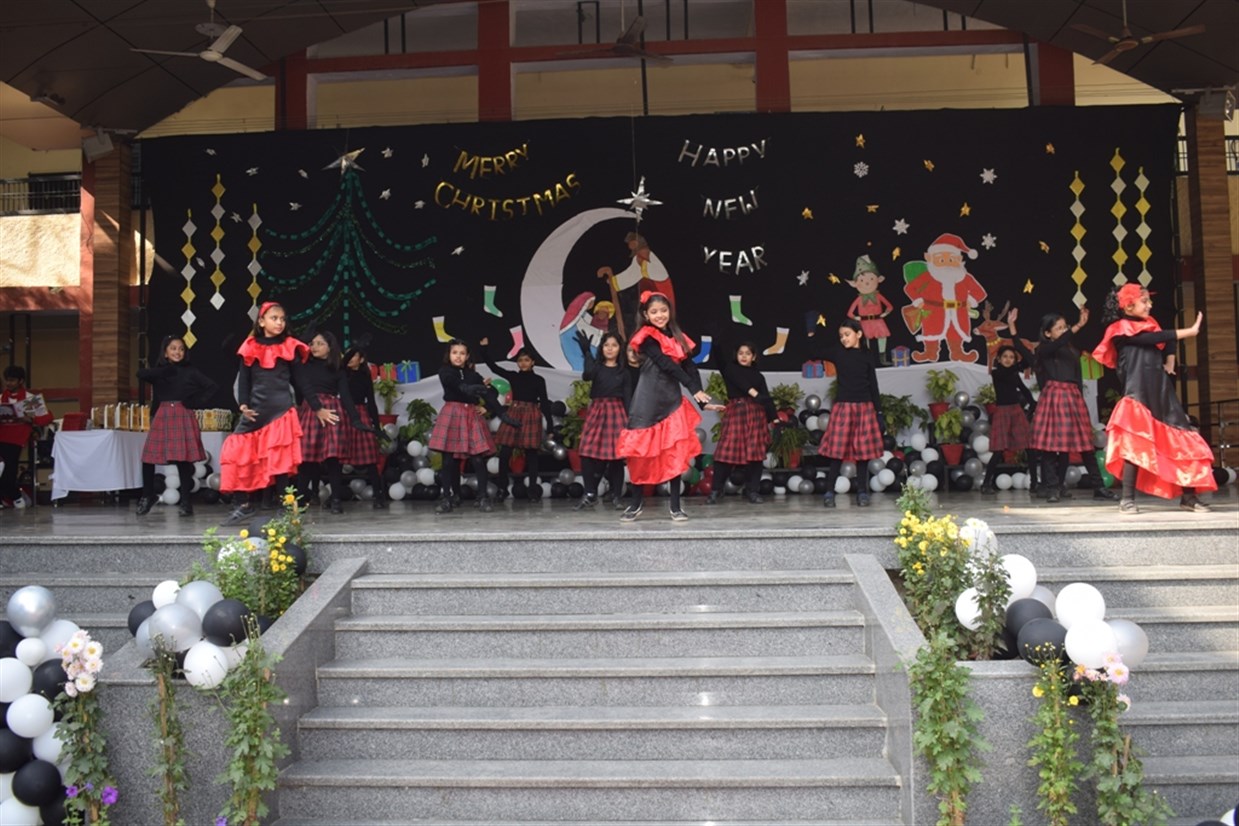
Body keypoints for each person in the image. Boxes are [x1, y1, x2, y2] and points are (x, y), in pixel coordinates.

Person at [1093, 283, 1216, 515]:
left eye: (1149, 300)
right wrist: (1188, 332)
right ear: (1128, 306)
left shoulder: (1150, 326)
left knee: (1183, 440)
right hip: (1138, 395)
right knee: (1133, 447)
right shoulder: (1120, 330)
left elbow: (1165, 338)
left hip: (1161, 392)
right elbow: (1151, 339)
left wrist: (1170, 359)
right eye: (1144, 301)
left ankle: (1189, 497)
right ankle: (1127, 500)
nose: (1150, 305)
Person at [615, 291, 720, 522]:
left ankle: (675, 506)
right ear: (646, 315)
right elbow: (666, 365)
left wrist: (702, 400)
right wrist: (692, 389)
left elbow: (689, 367)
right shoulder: (646, 336)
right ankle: (636, 503)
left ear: (670, 312)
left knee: (674, 452)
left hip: (671, 400)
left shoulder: (679, 337)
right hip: (647, 400)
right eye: (654, 312)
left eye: (663, 310)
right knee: (640, 454)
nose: (660, 315)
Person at [218, 301, 309, 525]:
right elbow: (244, 380)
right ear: (261, 321)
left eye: (282, 319)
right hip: (256, 411)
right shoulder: (250, 346)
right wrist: (243, 405)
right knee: (236, 451)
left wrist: (314, 406)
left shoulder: (289, 345)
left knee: (279, 459)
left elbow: (301, 381)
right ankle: (243, 504)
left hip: (280, 410)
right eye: (274, 318)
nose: (279, 322)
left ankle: (285, 507)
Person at [1010, 305, 1094, 504]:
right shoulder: (1044, 351)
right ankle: (1050, 486)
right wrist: (1012, 328)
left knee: (1064, 448)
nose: (1064, 331)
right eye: (1059, 328)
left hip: (1070, 401)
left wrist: (1080, 400)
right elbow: (1022, 348)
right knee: (1049, 448)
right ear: (1047, 333)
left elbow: (1077, 377)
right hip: (1052, 403)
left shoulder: (1070, 352)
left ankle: (1059, 484)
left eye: (1065, 327)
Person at [135, 336, 218, 516]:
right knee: (148, 458)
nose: (177, 352)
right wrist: (165, 370)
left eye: (181, 349)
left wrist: (195, 401)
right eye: (173, 348)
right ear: (165, 352)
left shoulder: (190, 371)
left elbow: (212, 386)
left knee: (182, 459)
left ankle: (186, 502)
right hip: (163, 414)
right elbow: (140, 374)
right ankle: (147, 496)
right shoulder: (161, 372)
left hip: (182, 413)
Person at [296, 332, 368, 515]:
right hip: (311, 409)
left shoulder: (337, 369)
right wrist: (317, 407)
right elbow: (304, 387)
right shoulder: (305, 365)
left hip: (332, 411)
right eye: (312, 343)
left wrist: (356, 419)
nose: (314, 347)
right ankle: (299, 500)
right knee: (306, 459)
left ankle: (336, 500)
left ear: (330, 347)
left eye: (320, 343)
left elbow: (346, 396)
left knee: (333, 459)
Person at [816, 320, 886, 507]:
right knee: (837, 452)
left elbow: (873, 383)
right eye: (841, 336)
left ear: (859, 334)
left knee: (863, 453)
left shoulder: (867, 355)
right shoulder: (838, 352)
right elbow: (815, 351)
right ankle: (829, 492)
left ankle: (862, 492)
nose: (843, 339)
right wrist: (813, 331)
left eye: (847, 334)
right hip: (844, 407)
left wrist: (879, 411)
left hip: (865, 407)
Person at [428, 339, 501, 514]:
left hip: (471, 416)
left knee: (477, 458)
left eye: (462, 353)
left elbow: (493, 392)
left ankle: (482, 497)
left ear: (467, 356)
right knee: (448, 459)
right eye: (455, 353)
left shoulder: (473, 375)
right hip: (452, 413)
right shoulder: (445, 371)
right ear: (449, 355)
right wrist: (471, 387)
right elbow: (454, 383)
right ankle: (447, 498)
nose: (458, 356)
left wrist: (487, 406)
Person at [480, 337, 551, 499]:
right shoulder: (513, 376)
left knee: (531, 454)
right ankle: (502, 488)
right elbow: (494, 367)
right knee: (505, 452)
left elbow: (545, 402)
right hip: (514, 412)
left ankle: (533, 491)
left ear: (533, 362)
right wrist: (484, 350)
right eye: (520, 360)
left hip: (531, 413)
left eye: (526, 360)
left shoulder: (539, 380)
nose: (523, 363)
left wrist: (551, 426)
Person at [706, 342, 775, 505]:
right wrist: (716, 340)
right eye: (741, 353)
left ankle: (752, 491)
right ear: (736, 356)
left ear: (754, 357)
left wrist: (774, 417)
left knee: (755, 456)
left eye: (748, 353)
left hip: (756, 415)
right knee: (724, 453)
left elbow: (766, 398)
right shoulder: (731, 369)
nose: (744, 356)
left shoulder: (759, 376)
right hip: (736, 413)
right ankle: (716, 490)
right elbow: (740, 381)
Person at [573, 330, 632, 510]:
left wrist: (631, 422)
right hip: (597, 410)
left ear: (620, 349)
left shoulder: (624, 372)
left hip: (616, 411)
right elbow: (587, 375)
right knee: (586, 452)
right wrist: (586, 352)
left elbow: (628, 398)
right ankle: (590, 493)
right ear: (601, 348)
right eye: (606, 345)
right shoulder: (597, 367)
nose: (610, 348)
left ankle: (617, 496)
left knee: (616, 457)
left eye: (614, 345)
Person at [979, 333, 1034, 496]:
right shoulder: (997, 373)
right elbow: (1010, 371)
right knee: (998, 450)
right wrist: (1019, 364)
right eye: (1005, 357)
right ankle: (986, 484)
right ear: (999, 359)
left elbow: (1024, 389)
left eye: (1011, 357)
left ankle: (1035, 483)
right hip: (1003, 412)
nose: (1008, 360)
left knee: (1029, 446)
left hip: (1016, 411)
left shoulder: (1014, 373)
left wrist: (1033, 403)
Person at [341, 342, 388, 510]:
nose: (350, 358)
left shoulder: (364, 375)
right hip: (344, 413)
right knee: (338, 458)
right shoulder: (342, 373)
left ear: (361, 359)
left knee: (370, 458)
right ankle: (335, 496)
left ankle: (378, 495)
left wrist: (376, 426)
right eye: (348, 354)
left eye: (354, 355)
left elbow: (372, 402)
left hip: (361, 414)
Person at [0, 366, 52, 508]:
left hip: (16, 438)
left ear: (21, 381)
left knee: (9, 468)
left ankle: (15, 495)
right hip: (1, 435)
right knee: (5, 468)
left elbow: (47, 417)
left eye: (12, 380)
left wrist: (31, 419)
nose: (8, 383)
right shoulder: (1, 398)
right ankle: (12, 496)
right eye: (7, 380)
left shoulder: (30, 399)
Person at [846, 255, 895, 365]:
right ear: (855, 284)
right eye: (862, 280)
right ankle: (867, 360)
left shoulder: (878, 296)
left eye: (871, 279)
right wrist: (857, 318)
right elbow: (849, 313)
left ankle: (882, 359)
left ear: (878, 279)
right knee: (865, 340)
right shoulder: (859, 299)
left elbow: (889, 306)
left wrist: (884, 314)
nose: (867, 283)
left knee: (882, 337)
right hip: (864, 322)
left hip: (878, 321)